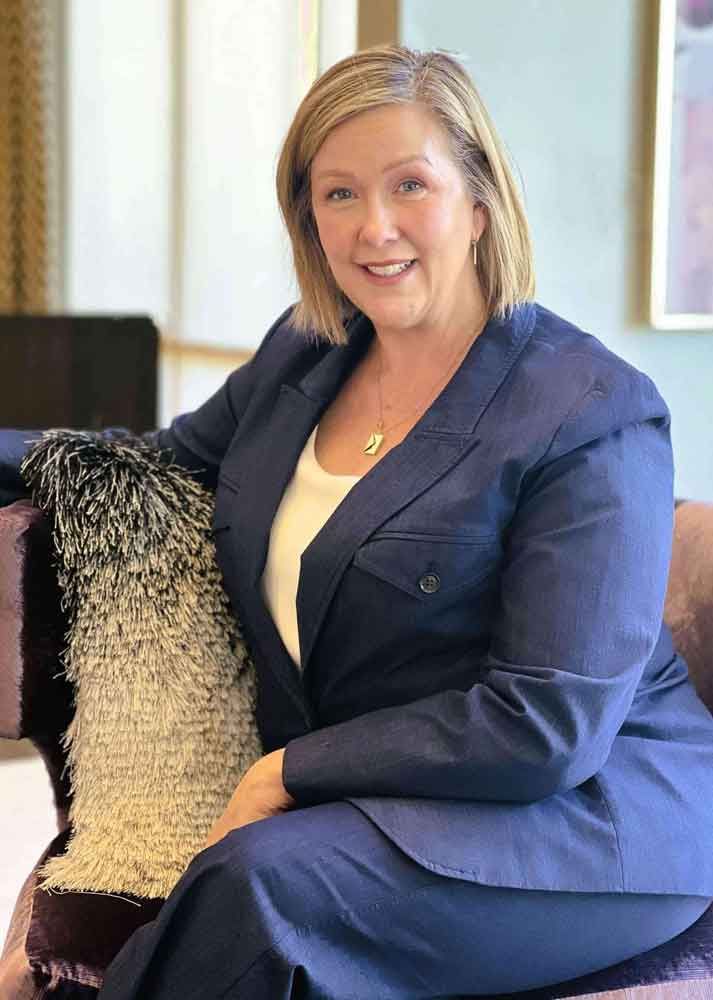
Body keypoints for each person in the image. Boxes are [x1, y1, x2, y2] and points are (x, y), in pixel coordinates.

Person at [4, 44, 713, 999]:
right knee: (250, 882)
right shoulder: (304, 353)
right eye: (336, 195)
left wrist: (285, 773)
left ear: (478, 201)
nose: (373, 227)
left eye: (408, 185)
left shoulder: (590, 409)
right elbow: (155, 461)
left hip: (583, 820)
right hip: (384, 798)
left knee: (260, 888)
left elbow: (547, 723)